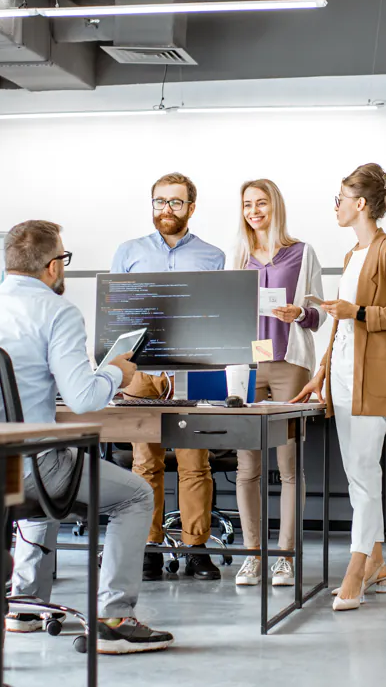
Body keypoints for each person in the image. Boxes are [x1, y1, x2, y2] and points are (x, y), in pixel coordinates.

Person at [0, 220, 173, 653]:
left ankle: (25, 607)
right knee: (134, 495)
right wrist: (115, 373)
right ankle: (115, 619)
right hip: (28, 469)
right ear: (53, 266)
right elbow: (83, 399)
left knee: (43, 483)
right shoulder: (58, 312)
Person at [292, 164, 386, 612]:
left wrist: (359, 311)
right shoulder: (352, 256)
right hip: (343, 377)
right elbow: (340, 327)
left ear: (360, 204)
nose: (337, 206)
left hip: (374, 379)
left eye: (341, 199)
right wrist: (321, 372)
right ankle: (377, 564)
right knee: (359, 474)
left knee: (364, 473)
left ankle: (357, 566)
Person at [111, 172, 226, 582]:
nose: (167, 209)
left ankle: (196, 549)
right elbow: (115, 314)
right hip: (141, 371)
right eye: (160, 201)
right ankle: (149, 548)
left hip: (190, 371)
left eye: (176, 202)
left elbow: (217, 316)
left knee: (196, 463)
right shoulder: (128, 252)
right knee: (145, 463)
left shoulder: (212, 257)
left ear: (191, 207)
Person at [229, 179, 325, 589]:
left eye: (261, 203)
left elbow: (318, 313)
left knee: (289, 466)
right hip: (248, 366)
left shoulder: (302, 252)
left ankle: (285, 557)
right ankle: (252, 556)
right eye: (247, 204)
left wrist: (298, 313)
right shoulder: (238, 255)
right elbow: (225, 312)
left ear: (275, 206)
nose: (254, 211)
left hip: (289, 365)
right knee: (247, 466)